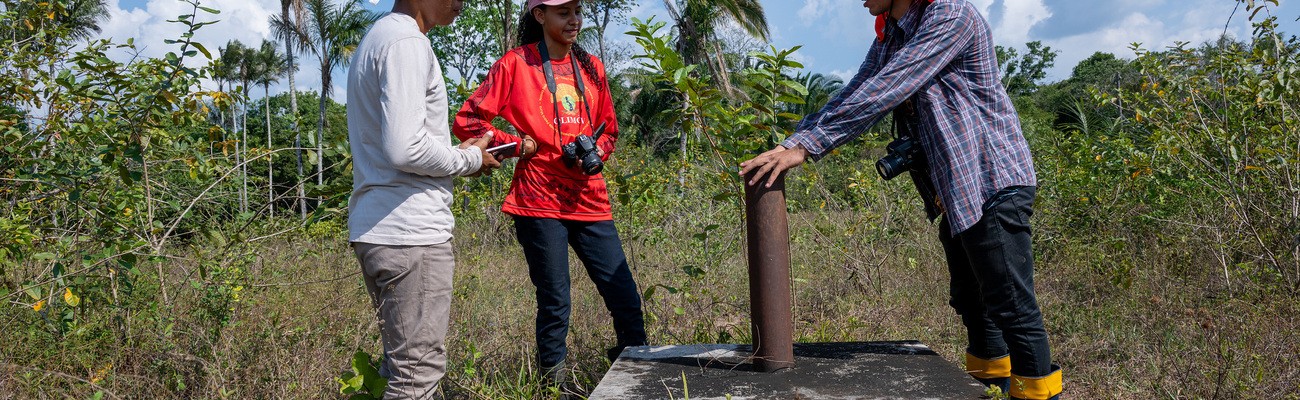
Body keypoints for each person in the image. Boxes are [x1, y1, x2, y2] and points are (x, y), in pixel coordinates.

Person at [739, 0, 1061, 399]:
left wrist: (809, 148)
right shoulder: (893, 31)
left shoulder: (950, 15)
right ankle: (990, 389)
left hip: (991, 179)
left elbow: (887, 87)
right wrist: (796, 141)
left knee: (1011, 306)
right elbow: (859, 87)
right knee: (972, 303)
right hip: (957, 191)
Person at [452, 0, 647, 382]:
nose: (574, 20)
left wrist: (596, 152)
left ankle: (637, 378)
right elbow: (468, 119)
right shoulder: (516, 63)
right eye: (563, 13)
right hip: (537, 200)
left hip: (589, 198)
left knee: (624, 296)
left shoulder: (593, 69)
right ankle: (551, 387)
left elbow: (609, 129)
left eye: (577, 11)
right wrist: (517, 143)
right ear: (539, 16)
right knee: (556, 301)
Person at [346, 0, 500, 397]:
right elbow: (404, 149)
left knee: (399, 367)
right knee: (417, 375)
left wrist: (455, 153)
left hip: (380, 228)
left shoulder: (378, 37)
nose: (462, 3)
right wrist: (468, 159)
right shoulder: (407, 43)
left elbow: (400, 142)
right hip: (410, 233)